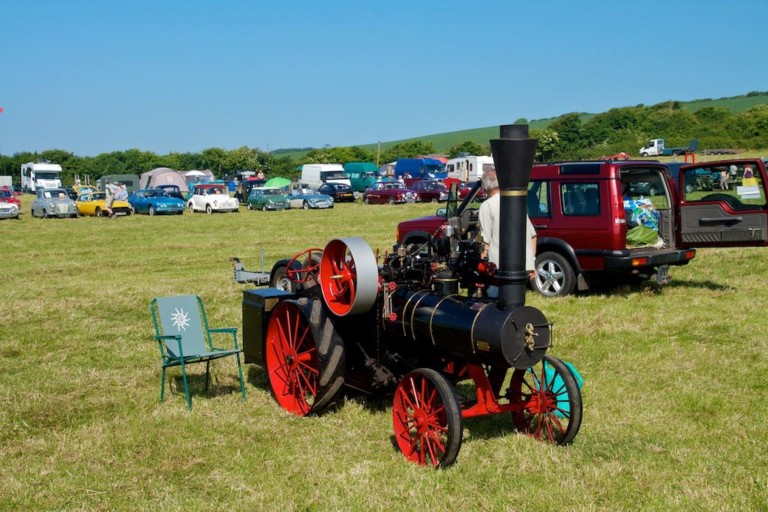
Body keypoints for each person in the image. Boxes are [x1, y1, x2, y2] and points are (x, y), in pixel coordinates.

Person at [478, 168, 537, 299]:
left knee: (494, 299)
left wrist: (482, 265)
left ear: (485, 186)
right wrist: (531, 262)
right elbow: (533, 235)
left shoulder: (486, 206)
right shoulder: (515, 203)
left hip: (499, 267)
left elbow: (485, 240)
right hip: (522, 265)